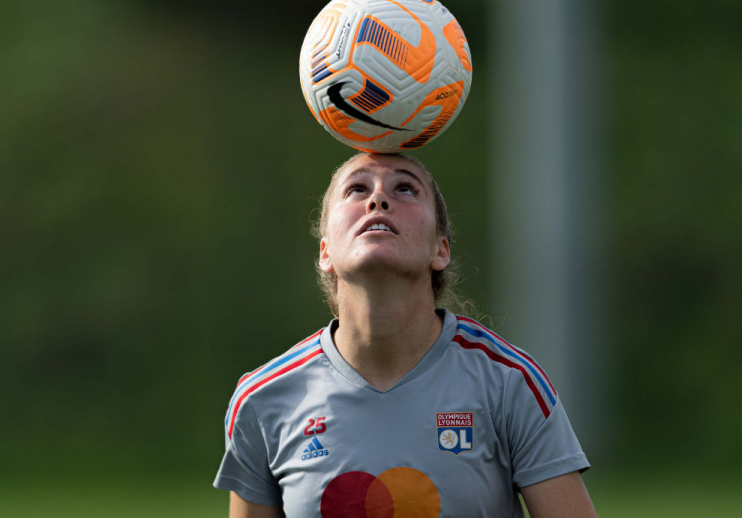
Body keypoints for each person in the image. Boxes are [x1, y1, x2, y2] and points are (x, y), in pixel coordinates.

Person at [213, 152, 596, 517]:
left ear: (440, 249)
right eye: (357, 189)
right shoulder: (263, 399)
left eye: (405, 189)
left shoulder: (510, 383)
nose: (378, 199)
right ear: (325, 252)